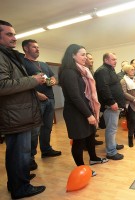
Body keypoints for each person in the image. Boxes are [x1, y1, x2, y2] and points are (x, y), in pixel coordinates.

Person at [0, 20, 46, 199]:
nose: (14, 38)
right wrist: (34, 80)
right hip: (15, 114)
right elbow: (2, 85)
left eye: (14, 34)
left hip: (19, 113)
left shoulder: (9, 55)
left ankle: (17, 181)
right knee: (19, 152)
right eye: (9, 34)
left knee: (17, 153)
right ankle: (21, 188)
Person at [58, 44, 108, 175]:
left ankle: (94, 158)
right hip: (75, 112)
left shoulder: (82, 70)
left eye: (86, 55)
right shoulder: (68, 72)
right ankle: (81, 168)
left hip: (86, 108)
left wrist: (90, 111)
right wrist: (88, 114)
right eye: (82, 55)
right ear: (73, 55)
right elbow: (75, 97)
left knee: (91, 136)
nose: (85, 57)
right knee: (79, 141)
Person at [21, 39, 61, 171]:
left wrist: (53, 80)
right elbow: (22, 83)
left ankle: (46, 150)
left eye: (38, 47)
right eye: (34, 47)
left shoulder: (43, 64)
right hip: (35, 101)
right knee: (34, 131)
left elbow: (52, 77)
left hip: (50, 99)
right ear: (26, 49)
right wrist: (37, 95)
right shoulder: (22, 64)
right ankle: (30, 158)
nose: (37, 49)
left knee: (47, 127)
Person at [94, 52, 126, 160]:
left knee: (113, 128)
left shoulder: (110, 69)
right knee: (111, 129)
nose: (115, 61)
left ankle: (113, 144)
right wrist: (111, 102)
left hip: (115, 104)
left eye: (116, 59)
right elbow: (103, 88)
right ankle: (111, 152)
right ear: (106, 60)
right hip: (110, 105)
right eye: (113, 59)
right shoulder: (102, 71)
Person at [120, 64, 135, 147]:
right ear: (127, 71)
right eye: (131, 69)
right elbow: (124, 93)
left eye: (133, 69)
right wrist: (134, 99)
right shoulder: (123, 80)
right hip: (131, 103)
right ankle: (130, 138)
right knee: (132, 121)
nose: (133, 70)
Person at [84, 52, 103, 143]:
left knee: (94, 121)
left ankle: (92, 140)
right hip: (87, 100)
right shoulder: (83, 71)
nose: (93, 60)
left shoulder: (91, 70)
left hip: (93, 99)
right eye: (90, 59)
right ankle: (87, 144)